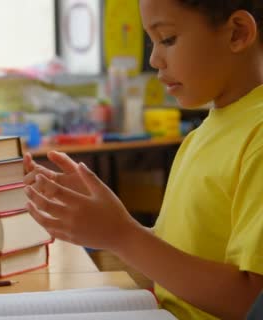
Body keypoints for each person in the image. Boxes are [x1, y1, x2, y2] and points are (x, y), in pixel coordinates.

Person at [23, 1, 263, 319]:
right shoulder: (204, 132)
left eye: (167, 39)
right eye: (152, 42)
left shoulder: (257, 135)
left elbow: (251, 302)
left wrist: (121, 234)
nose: (153, 58)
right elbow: (177, 260)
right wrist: (103, 223)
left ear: (237, 33)